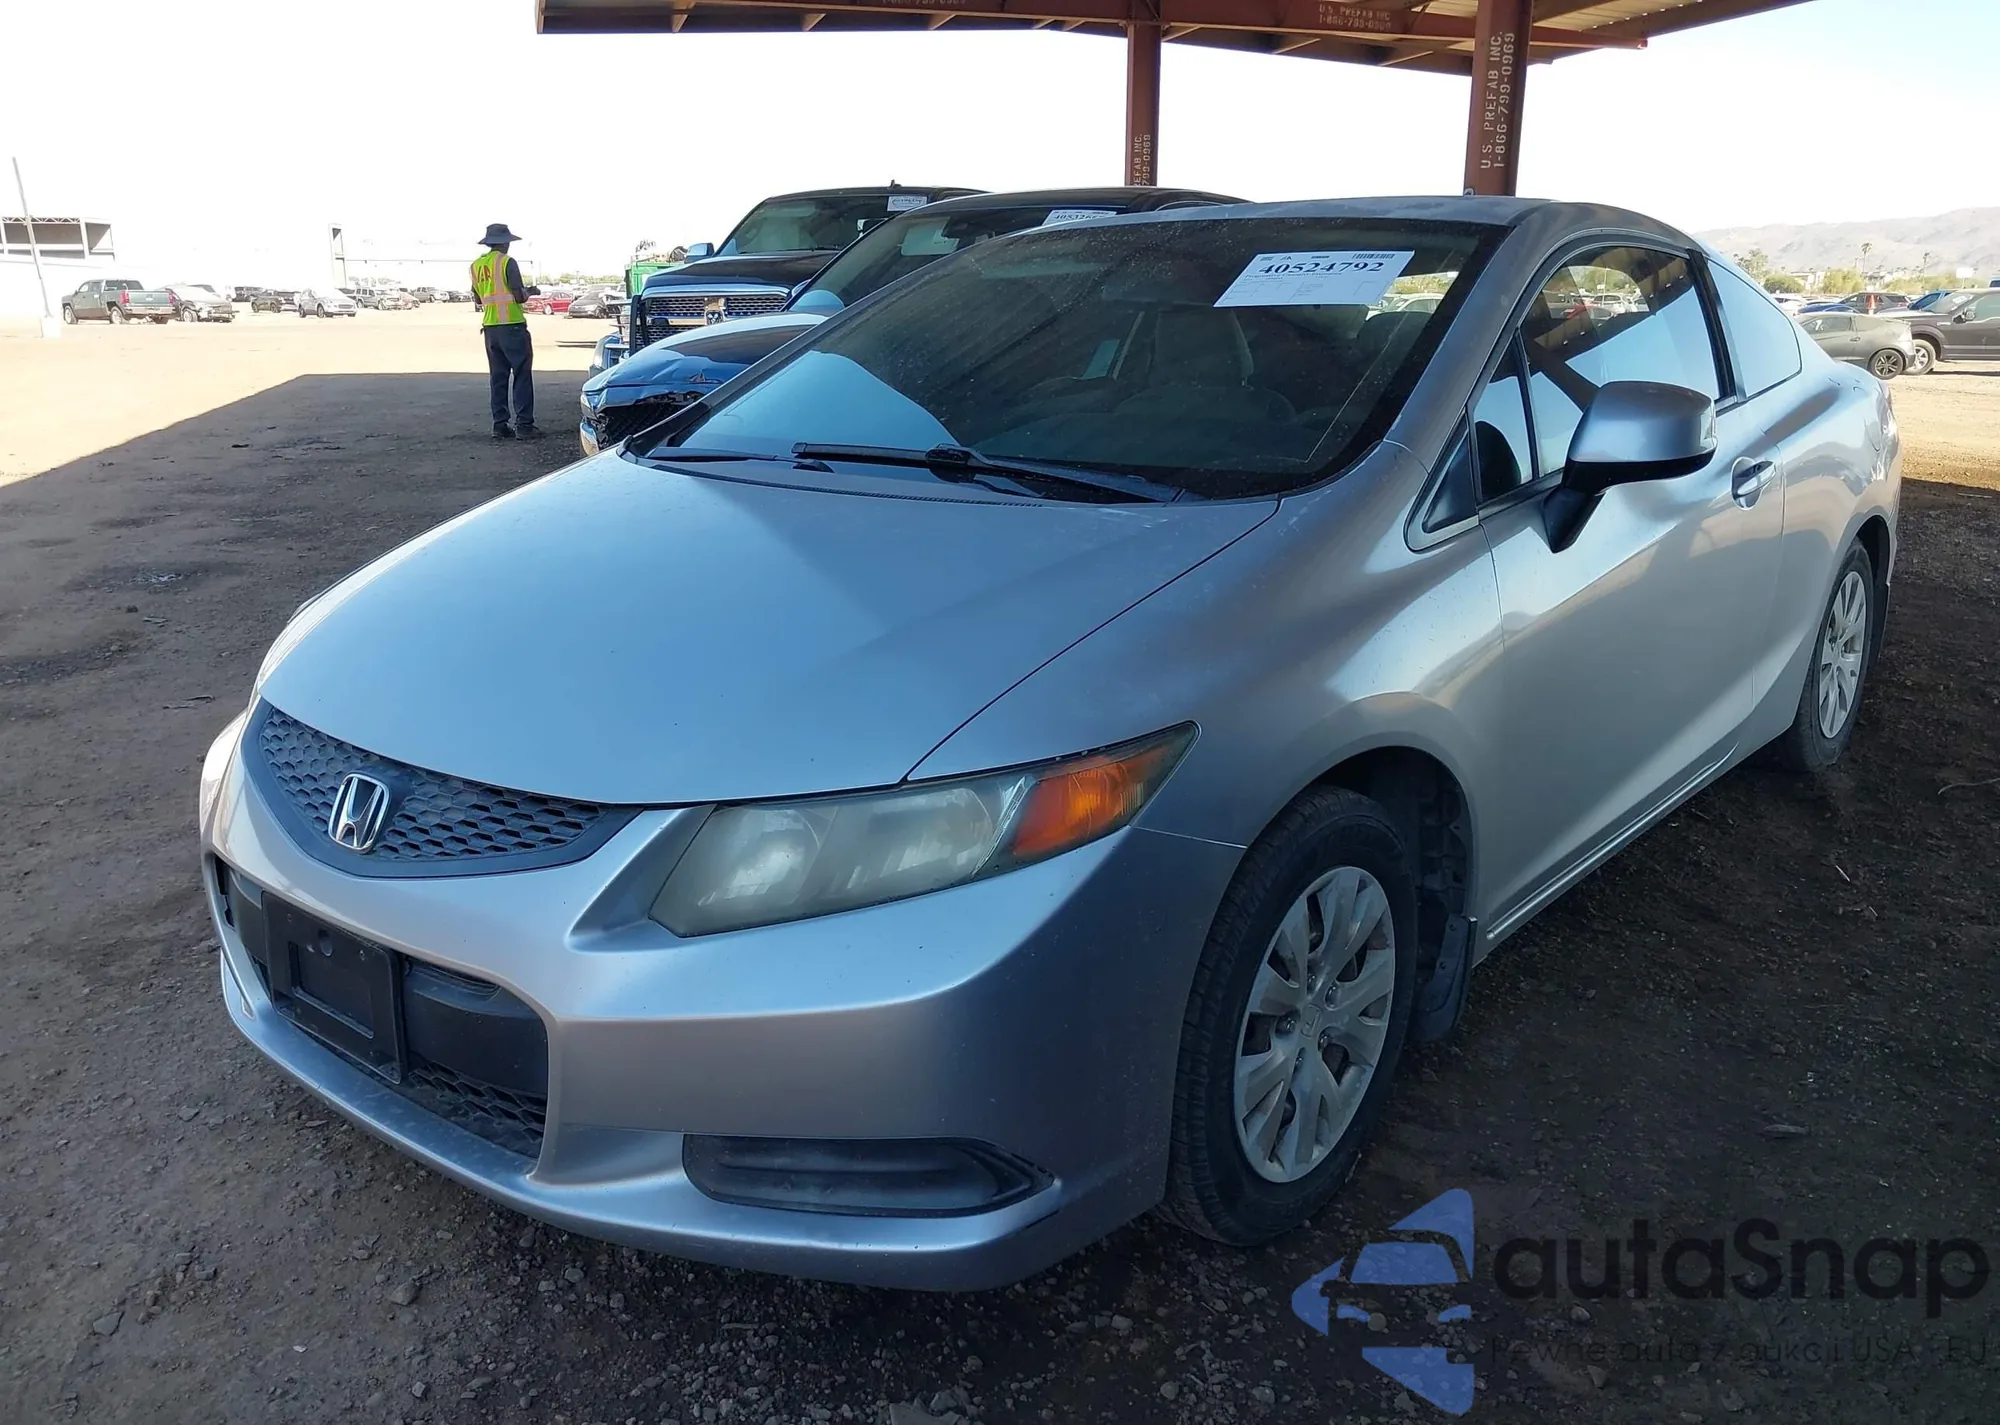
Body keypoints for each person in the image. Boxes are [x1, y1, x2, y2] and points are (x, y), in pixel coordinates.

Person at [471, 223, 543, 440]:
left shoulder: (476, 266)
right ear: (504, 243)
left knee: (498, 377)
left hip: (490, 328)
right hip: (512, 326)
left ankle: (500, 425)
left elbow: (478, 299)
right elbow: (519, 296)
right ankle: (524, 426)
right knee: (521, 375)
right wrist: (530, 291)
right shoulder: (507, 262)